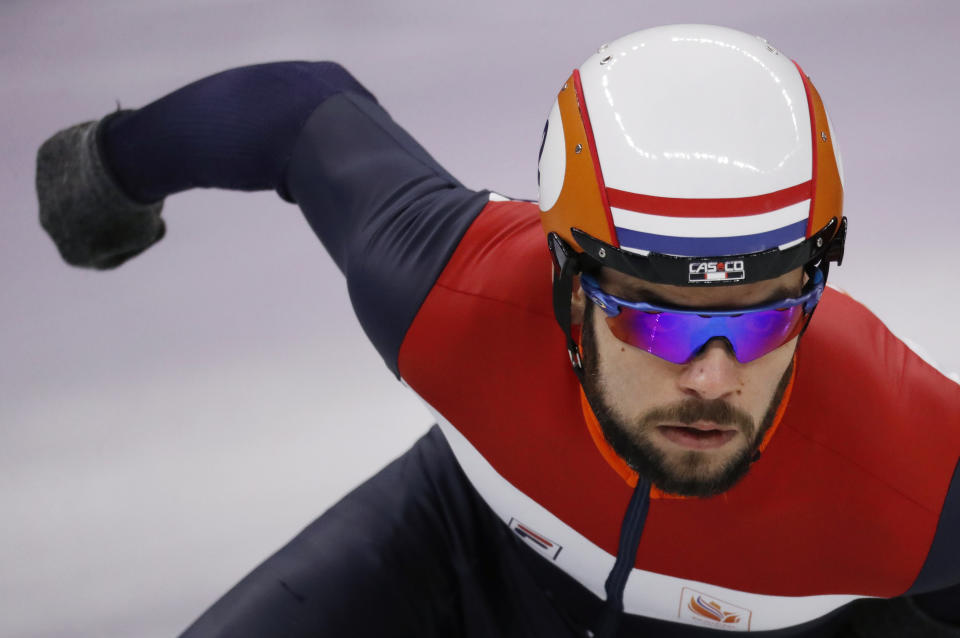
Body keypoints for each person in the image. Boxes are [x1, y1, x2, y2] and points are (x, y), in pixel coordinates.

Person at [35, 24, 959, 638]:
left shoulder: (917, 476)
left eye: (765, 319)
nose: (714, 381)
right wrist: (106, 172)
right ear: (564, 282)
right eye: (652, 316)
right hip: (460, 543)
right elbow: (293, 114)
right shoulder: (455, 294)